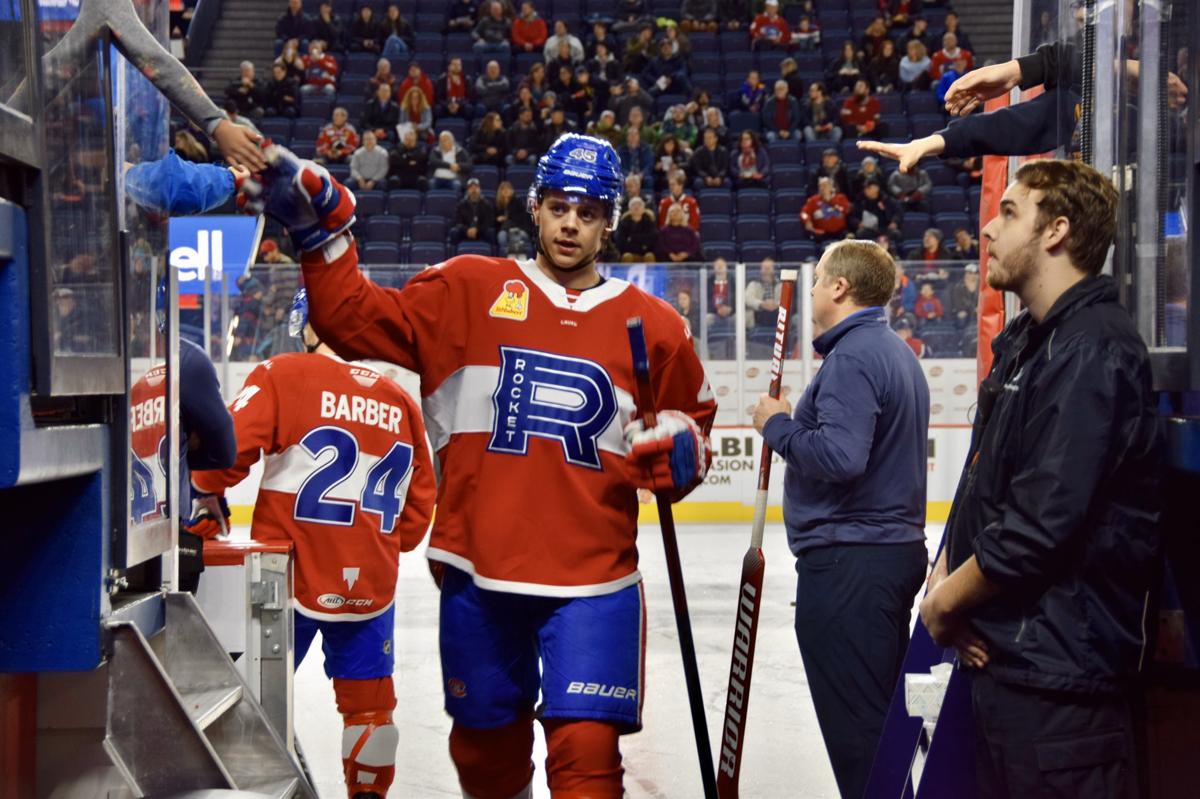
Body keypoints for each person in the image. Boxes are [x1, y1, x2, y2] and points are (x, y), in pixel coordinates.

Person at [257, 132, 715, 799]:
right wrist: (322, 241)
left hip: (595, 581)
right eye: (559, 205)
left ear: (609, 221)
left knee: (588, 762)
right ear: (535, 206)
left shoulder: (657, 326)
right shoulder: (467, 288)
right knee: (485, 760)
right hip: (480, 572)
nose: (570, 223)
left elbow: (693, 431)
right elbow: (352, 317)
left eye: (588, 212)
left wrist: (679, 447)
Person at [920, 159, 1160, 799]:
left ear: (1055, 232)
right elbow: (987, 486)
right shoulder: (1034, 340)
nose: (990, 231)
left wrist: (945, 604)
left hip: (1060, 689)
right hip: (1011, 665)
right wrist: (946, 569)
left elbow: (1037, 528)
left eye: (1009, 213)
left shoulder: (1092, 351)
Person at [191, 290, 436, 799]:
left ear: (309, 326)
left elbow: (226, 451)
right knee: (370, 711)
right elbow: (414, 520)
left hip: (285, 577)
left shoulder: (283, 373)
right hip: (370, 585)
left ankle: (250, 790)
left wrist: (206, 490)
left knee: (251, 701)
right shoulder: (400, 401)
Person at [751, 240, 929, 799]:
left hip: (852, 563)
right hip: (878, 558)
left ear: (838, 287)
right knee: (879, 727)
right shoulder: (892, 351)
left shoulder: (852, 357)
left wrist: (776, 425)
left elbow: (841, 457)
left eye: (817, 278)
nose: (811, 289)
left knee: (861, 740)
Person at [800, 177, 851, 245]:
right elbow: (803, 213)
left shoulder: (841, 198)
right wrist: (807, 220)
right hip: (822, 233)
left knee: (850, 238)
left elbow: (847, 210)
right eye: (820, 186)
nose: (822, 188)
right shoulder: (813, 200)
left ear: (831, 187)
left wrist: (831, 201)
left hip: (840, 232)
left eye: (824, 185)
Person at [451, 178, 496, 247]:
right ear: (468, 190)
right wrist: (467, 230)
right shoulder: (461, 205)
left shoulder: (487, 204)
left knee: (490, 232)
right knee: (454, 232)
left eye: (476, 187)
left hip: (481, 231)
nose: (474, 190)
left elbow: (488, 222)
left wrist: (477, 229)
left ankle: (492, 256)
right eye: (471, 188)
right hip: (465, 231)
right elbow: (458, 221)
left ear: (480, 189)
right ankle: (453, 256)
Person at [614, 195, 658, 262]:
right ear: (629, 209)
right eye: (633, 205)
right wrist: (641, 243)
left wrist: (632, 238)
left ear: (643, 209)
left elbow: (652, 239)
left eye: (639, 205)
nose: (636, 207)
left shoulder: (649, 222)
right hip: (629, 252)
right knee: (627, 256)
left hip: (645, 252)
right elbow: (621, 242)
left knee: (650, 256)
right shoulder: (623, 223)